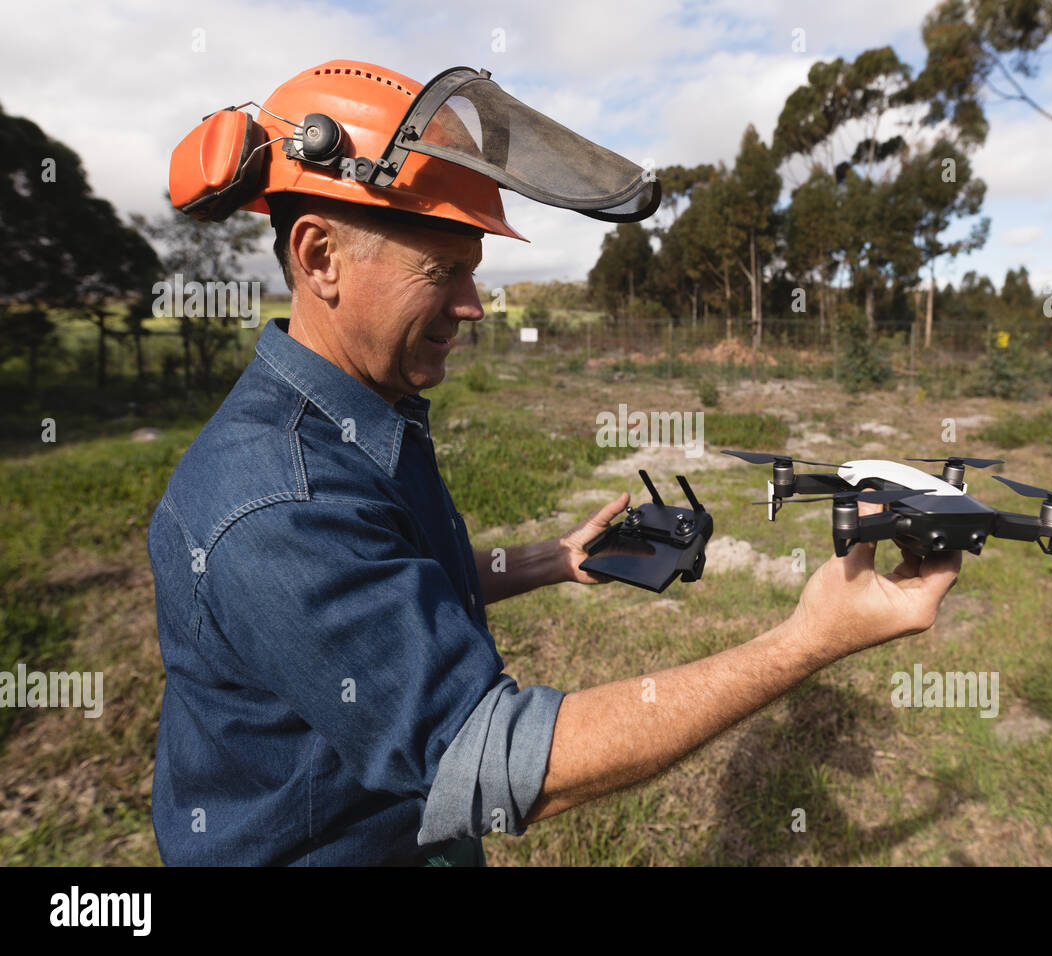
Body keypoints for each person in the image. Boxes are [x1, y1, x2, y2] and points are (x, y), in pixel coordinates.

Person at [150, 60, 961, 866]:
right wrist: (808, 641)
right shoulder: (278, 499)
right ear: (319, 256)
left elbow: (393, 576)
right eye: (443, 271)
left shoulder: (357, 415)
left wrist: (552, 559)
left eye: (474, 273)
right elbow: (493, 759)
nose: (472, 306)